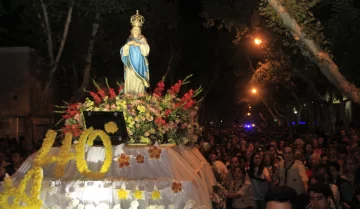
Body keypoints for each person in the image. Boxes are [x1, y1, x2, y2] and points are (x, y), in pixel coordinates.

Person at [120, 10, 150, 95]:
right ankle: (129, 94)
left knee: (139, 79)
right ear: (131, 32)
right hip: (130, 64)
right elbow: (123, 51)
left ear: (140, 32)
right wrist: (128, 45)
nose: (135, 32)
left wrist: (139, 45)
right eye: (134, 30)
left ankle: (139, 94)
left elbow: (146, 50)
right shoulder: (129, 40)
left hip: (140, 64)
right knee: (130, 76)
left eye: (137, 30)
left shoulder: (142, 40)